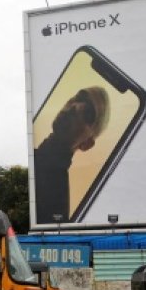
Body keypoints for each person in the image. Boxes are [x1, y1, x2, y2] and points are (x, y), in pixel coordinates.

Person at [34, 86, 110, 224]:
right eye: (79, 98)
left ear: (87, 144)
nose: (76, 107)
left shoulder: (54, 194)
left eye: (88, 113)